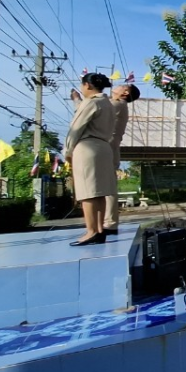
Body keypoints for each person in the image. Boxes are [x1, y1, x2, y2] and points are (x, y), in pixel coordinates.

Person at [66, 73, 117, 246]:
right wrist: (77, 101)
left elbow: (76, 127)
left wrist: (68, 150)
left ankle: (91, 231)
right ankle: (100, 230)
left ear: (87, 85)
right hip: (104, 147)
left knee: (87, 192)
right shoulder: (108, 104)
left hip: (87, 147)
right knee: (99, 192)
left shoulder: (91, 102)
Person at [102, 83, 140, 235]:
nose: (116, 86)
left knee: (107, 187)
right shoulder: (116, 104)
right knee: (105, 186)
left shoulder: (118, 104)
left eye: (121, 85)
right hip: (109, 148)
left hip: (108, 148)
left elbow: (97, 111)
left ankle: (109, 223)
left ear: (125, 92)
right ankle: (106, 222)